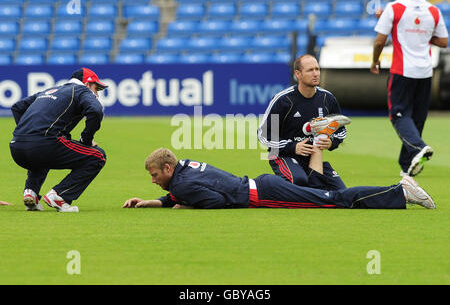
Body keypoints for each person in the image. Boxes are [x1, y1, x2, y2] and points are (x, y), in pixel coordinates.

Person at [122, 147, 435, 210]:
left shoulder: (182, 184)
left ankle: (400, 192)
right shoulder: (185, 167)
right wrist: (153, 202)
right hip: (262, 184)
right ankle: (399, 192)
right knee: (330, 196)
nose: (153, 181)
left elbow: (215, 201)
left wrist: (187, 206)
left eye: (153, 177)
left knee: (335, 201)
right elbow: (183, 191)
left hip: (263, 195)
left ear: (166, 169)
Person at [370, 0, 448, 177]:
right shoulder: (433, 10)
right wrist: (421, 34)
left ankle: (418, 147)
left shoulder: (394, 7)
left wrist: (375, 61)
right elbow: (444, 41)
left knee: (398, 114)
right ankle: (407, 165)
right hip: (425, 72)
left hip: (402, 71)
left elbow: (380, 41)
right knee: (417, 118)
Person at [9, 68, 108, 212]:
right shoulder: (81, 91)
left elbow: (17, 107)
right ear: (87, 84)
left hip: (16, 148)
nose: (97, 94)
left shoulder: (50, 90)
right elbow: (96, 110)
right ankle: (60, 196)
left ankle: (31, 192)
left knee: (41, 156)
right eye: (96, 88)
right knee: (98, 156)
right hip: (43, 145)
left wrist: (28, 133)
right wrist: (86, 139)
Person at [257, 54, 348, 191]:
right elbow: (263, 135)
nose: (316, 73)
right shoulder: (283, 100)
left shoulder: (327, 98)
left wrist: (332, 142)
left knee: (341, 192)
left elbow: (341, 130)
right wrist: (293, 147)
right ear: (298, 74)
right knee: (299, 182)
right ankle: (269, 187)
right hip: (284, 156)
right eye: (310, 70)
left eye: (317, 69)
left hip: (313, 159)